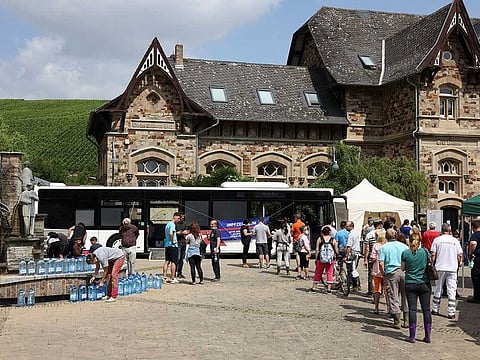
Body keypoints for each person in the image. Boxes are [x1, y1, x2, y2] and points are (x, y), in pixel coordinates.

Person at [401, 231, 432, 343]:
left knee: (412, 309)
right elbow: (430, 262)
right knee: (426, 310)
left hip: (410, 283)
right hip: (424, 283)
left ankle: (412, 336)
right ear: (419, 241)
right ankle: (427, 336)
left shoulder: (405, 253)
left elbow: (403, 268)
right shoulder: (425, 252)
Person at [430, 223, 463, 319]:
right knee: (451, 289)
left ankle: (435, 309)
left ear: (441, 230)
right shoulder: (455, 241)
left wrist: (432, 263)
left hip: (440, 267)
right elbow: (460, 254)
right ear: (449, 230)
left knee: (438, 288)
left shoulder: (437, 240)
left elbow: (433, 254)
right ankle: (451, 311)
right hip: (452, 267)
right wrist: (459, 262)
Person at [379, 228, 408, 329]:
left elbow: (381, 263)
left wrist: (383, 274)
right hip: (404, 272)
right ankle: (406, 319)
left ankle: (397, 320)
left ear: (386, 237)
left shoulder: (384, 248)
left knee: (393, 296)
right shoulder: (404, 246)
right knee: (406, 295)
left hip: (391, 273)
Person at [310, 226, 338, 293]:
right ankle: (329, 289)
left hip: (321, 259)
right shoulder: (333, 240)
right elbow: (336, 250)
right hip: (330, 260)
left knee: (318, 272)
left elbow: (317, 249)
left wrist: (316, 258)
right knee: (329, 273)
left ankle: (314, 287)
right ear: (329, 232)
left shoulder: (320, 239)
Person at [363, 218, 385, 296]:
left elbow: (367, 248)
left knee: (372, 275)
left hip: (372, 257)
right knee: (383, 274)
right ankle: (381, 291)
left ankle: (372, 291)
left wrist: (365, 259)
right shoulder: (384, 233)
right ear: (380, 225)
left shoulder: (369, 234)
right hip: (383, 257)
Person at [370, 229, 387, 314]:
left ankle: (376, 308)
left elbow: (373, 257)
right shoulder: (387, 245)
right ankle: (389, 308)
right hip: (386, 269)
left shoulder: (376, 245)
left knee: (377, 289)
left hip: (377, 269)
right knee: (387, 289)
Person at [164, 212, 180, 283]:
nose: (179, 220)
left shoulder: (167, 224)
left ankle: (164, 277)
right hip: (173, 246)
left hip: (167, 245)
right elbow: (171, 233)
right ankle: (173, 278)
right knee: (174, 262)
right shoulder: (172, 224)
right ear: (175, 217)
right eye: (178, 218)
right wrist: (173, 240)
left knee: (167, 261)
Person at [345, 221, 361, 290]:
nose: (346, 227)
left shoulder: (351, 235)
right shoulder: (356, 233)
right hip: (357, 252)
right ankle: (355, 284)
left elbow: (349, 246)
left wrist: (346, 255)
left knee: (352, 269)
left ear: (351, 226)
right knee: (353, 268)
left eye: (347, 226)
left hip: (353, 253)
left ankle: (355, 284)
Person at [467, 219, 480, 303]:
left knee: (476, 277)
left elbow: (473, 243)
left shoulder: (476, 234)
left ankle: (477, 297)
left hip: (478, 258)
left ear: (473, 227)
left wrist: (470, 253)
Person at [176, 213, 189, 279]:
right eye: (181, 218)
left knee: (182, 258)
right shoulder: (175, 224)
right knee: (177, 258)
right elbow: (173, 232)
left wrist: (185, 232)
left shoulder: (185, 224)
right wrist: (178, 233)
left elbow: (187, 231)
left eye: (183, 218)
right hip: (177, 242)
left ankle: (179, 272)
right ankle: (175, 272)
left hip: (183, 242)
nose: (182, 219)